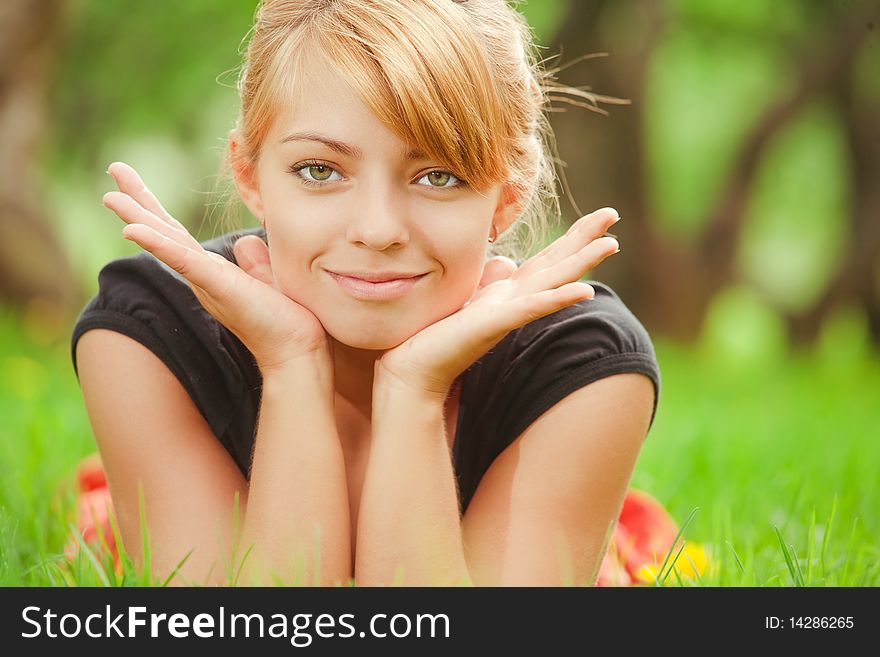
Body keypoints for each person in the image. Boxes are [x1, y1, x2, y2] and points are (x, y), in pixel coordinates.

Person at [70, 0, 661, 587]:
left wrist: (414, 391)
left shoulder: (585, 362)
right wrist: (290, 365)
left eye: (439, 175)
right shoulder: (145, 336)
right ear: (249, 174)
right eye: (320, 170)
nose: (378, 229)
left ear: (507, 197)